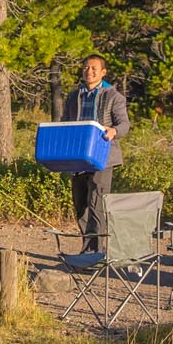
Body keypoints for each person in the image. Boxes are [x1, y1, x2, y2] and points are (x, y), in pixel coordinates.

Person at [60, 54, 130, 254]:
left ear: (103, 72)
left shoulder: (113, 96)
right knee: (80, 204)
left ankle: (94, 252)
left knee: (97, 202)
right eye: (85, 68)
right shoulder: (74, 96)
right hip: (78, 158)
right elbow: (65, 121)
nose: (88, 72)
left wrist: (113, 131)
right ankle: (87, 246)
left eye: (93, 68)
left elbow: (124, 124)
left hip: (103, 158)